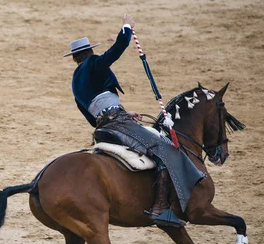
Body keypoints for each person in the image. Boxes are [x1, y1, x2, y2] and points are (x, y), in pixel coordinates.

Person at [64, 14, 186, 227]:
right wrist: (126, 27)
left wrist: (124, 112)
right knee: (162, 147)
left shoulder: (76, 80)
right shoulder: (94, 63)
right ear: (90, 52)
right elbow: (116, 50)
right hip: (117, 122)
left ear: (75, 57)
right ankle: (160, 207)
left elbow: (92, 113)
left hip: (104, 126)